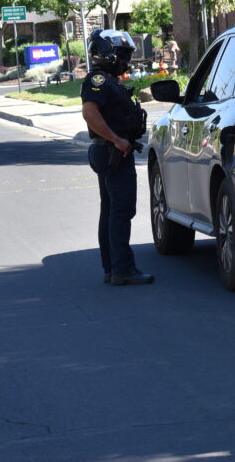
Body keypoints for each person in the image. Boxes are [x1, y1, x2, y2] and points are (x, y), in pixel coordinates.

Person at [81, 28, 153, 286]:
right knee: (121, 210)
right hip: (112, 152)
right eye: (122, 54)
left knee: (111, 210)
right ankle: (123, 269)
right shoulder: (98, 81)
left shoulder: (109, 81)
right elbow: (89, 113)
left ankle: (112, 268)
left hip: (114, 151)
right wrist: (116, 139)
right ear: (107, 55)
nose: (126, 60)